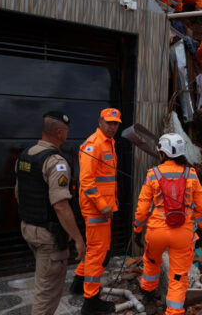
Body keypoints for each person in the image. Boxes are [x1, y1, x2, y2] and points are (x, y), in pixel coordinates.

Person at [15, 111, 85, 315]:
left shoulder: (26, 155)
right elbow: (60, 206)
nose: (67, 134)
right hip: (49, 236)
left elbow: (18, 194)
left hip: (29, 228)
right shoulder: (56, 162)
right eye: (66, 131)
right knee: (47, 294)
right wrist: (78, 239)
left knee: (44, 283)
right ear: (59, 132)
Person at [133, 133, 202, 315]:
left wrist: (137, 229)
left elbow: (142, 208)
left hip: (156, 233)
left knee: (151, 263)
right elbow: (200, 206)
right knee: (178, 277)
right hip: (183, 234)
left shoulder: (153, 174)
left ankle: (149, 299)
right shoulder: (191, 174)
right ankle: (174, 311)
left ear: (163, 153)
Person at [71, 108, 122, 314]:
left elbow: (105, 178)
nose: (112, 127)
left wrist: (112, 200)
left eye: (115, 123)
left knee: (96, 250)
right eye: (109, 122)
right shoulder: (94, 144)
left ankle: (78, 283)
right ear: (100, 122)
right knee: (98, 254)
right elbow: (86, 181)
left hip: (103, 208)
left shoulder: (108, 142)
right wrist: (102, 205)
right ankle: (91, 302)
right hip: (96, 209)